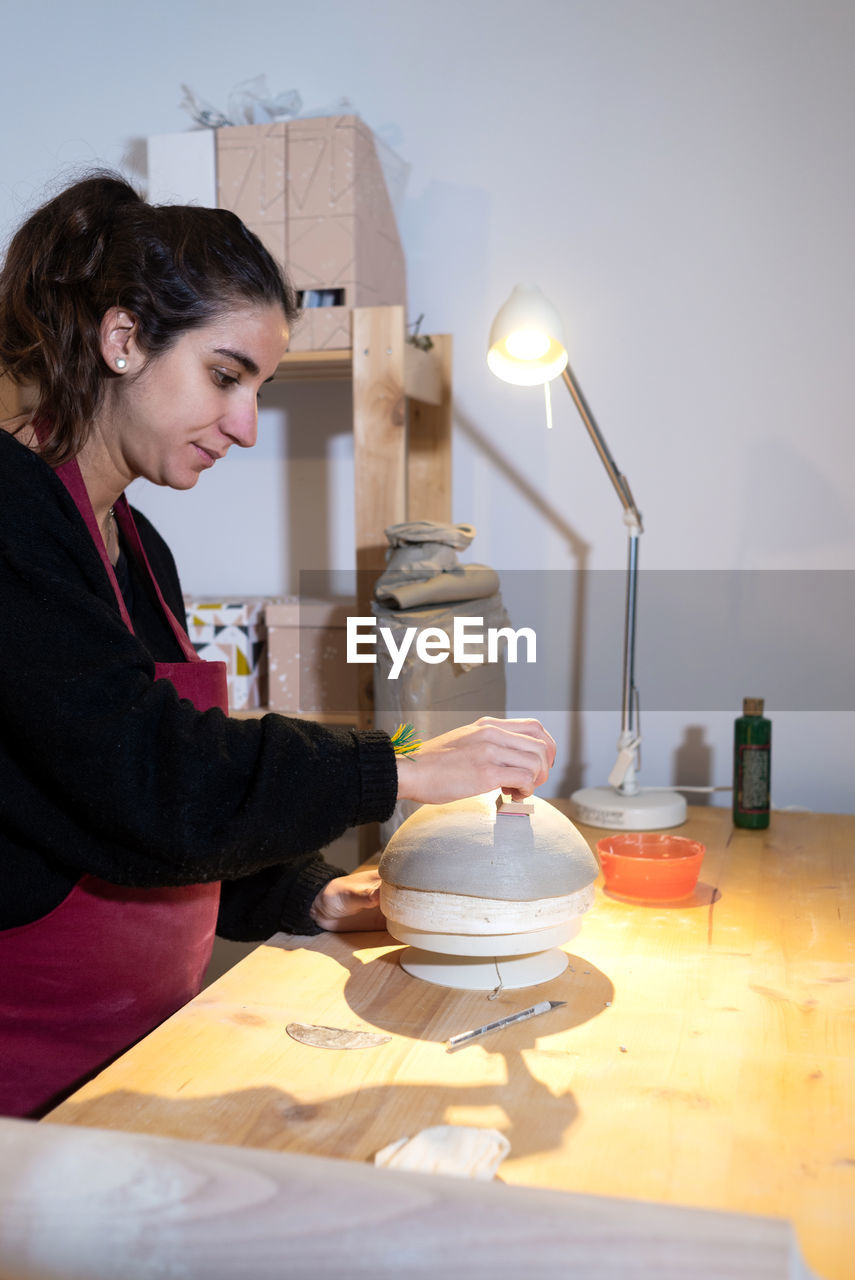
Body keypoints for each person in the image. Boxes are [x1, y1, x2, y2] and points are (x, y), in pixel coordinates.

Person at [0, 172, 556, 1119]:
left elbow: (159, 812)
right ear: (123, 339)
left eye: (257, 388)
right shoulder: (12, 518)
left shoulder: (138, 546)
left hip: (138, 1061)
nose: (247, 426)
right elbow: (145, 777)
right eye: (224, 376)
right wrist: (406, 765)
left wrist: (307, 895)